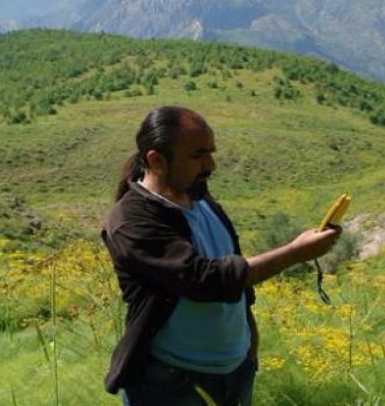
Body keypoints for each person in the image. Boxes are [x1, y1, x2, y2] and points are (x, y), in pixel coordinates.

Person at [102, 106, 342, 405]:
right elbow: (206, 279)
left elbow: (231, 262)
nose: (211, 165)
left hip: (236, 369)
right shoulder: (131, 220)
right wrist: (296, 252)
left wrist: (250, 337)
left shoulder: (201, 198)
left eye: (211, 152)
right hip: (169, 382)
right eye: (198, 155)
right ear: (157, 161)